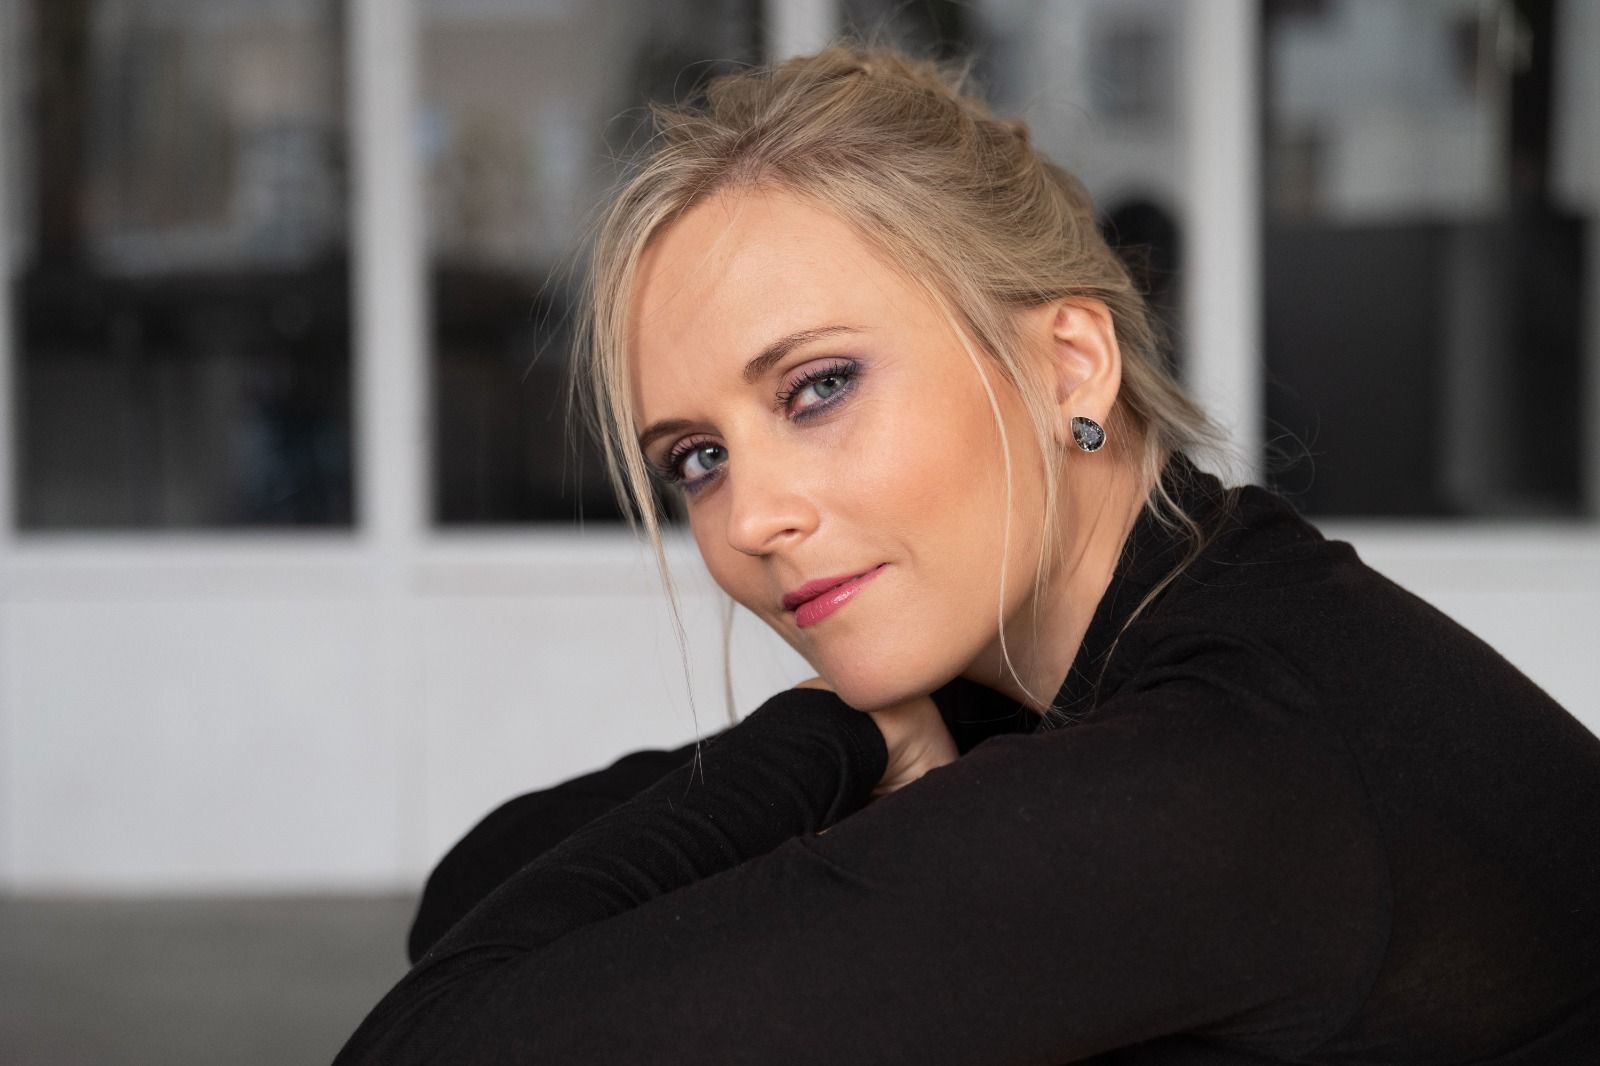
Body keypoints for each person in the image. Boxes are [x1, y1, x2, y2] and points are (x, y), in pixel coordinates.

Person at [334, 46, 1600, 1064]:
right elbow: (480, 885)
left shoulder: (1215, 767)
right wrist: (844, 739)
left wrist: (828, 741)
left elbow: (433, 1040)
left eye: (818, 386)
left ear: (1069, 365)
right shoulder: (1158, 627)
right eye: (697, 458)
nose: (751, 518)